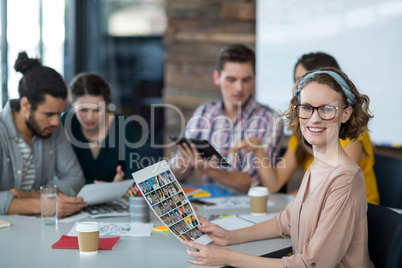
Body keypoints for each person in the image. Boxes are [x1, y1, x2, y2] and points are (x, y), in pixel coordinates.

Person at [183, 67, 374, 267]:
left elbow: (311, 265)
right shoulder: (320, 164)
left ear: (346, 114)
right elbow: (286, 222)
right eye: (307, 107)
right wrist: (229, 236)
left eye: (327, 109)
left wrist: (227, 257)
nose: (315, 118)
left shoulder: (345, 178)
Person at [228, 52, 379, 204]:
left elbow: (329, 189)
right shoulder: (305, 130)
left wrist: (295, 198)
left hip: (362, 213)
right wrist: (257, 149)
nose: (296, 87)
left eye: (302, 79)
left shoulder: (353, 135)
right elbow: (274, 184)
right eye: (296, 80)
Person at [171, 44, 284, 193]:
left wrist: (208, 170)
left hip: (252, 209)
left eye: (246, 80)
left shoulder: (270, 120)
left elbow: (252, 182)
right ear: (217, 78)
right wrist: (183, 165)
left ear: (254, 78)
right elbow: (176, 173)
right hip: (210, 204)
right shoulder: (204, 112)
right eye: (231, 79)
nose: (239, 88)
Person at [0, 52, 86, 216]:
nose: (56, 122)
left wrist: (32, 196)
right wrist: (41, 205)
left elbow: (75, 177)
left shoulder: (52, 128)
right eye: (48, 114)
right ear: (25, 105)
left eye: (59, 113)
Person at [61, 73, 142, 184]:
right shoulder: (65, 123)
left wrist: (121, 184)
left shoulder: (122, 124)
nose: (90, 117)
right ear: (72, 102)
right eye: (83, 110)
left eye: (97, 110)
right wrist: (101, 187)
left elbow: (133, 172)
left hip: (115, 198)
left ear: (107, 103)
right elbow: (60, 174)